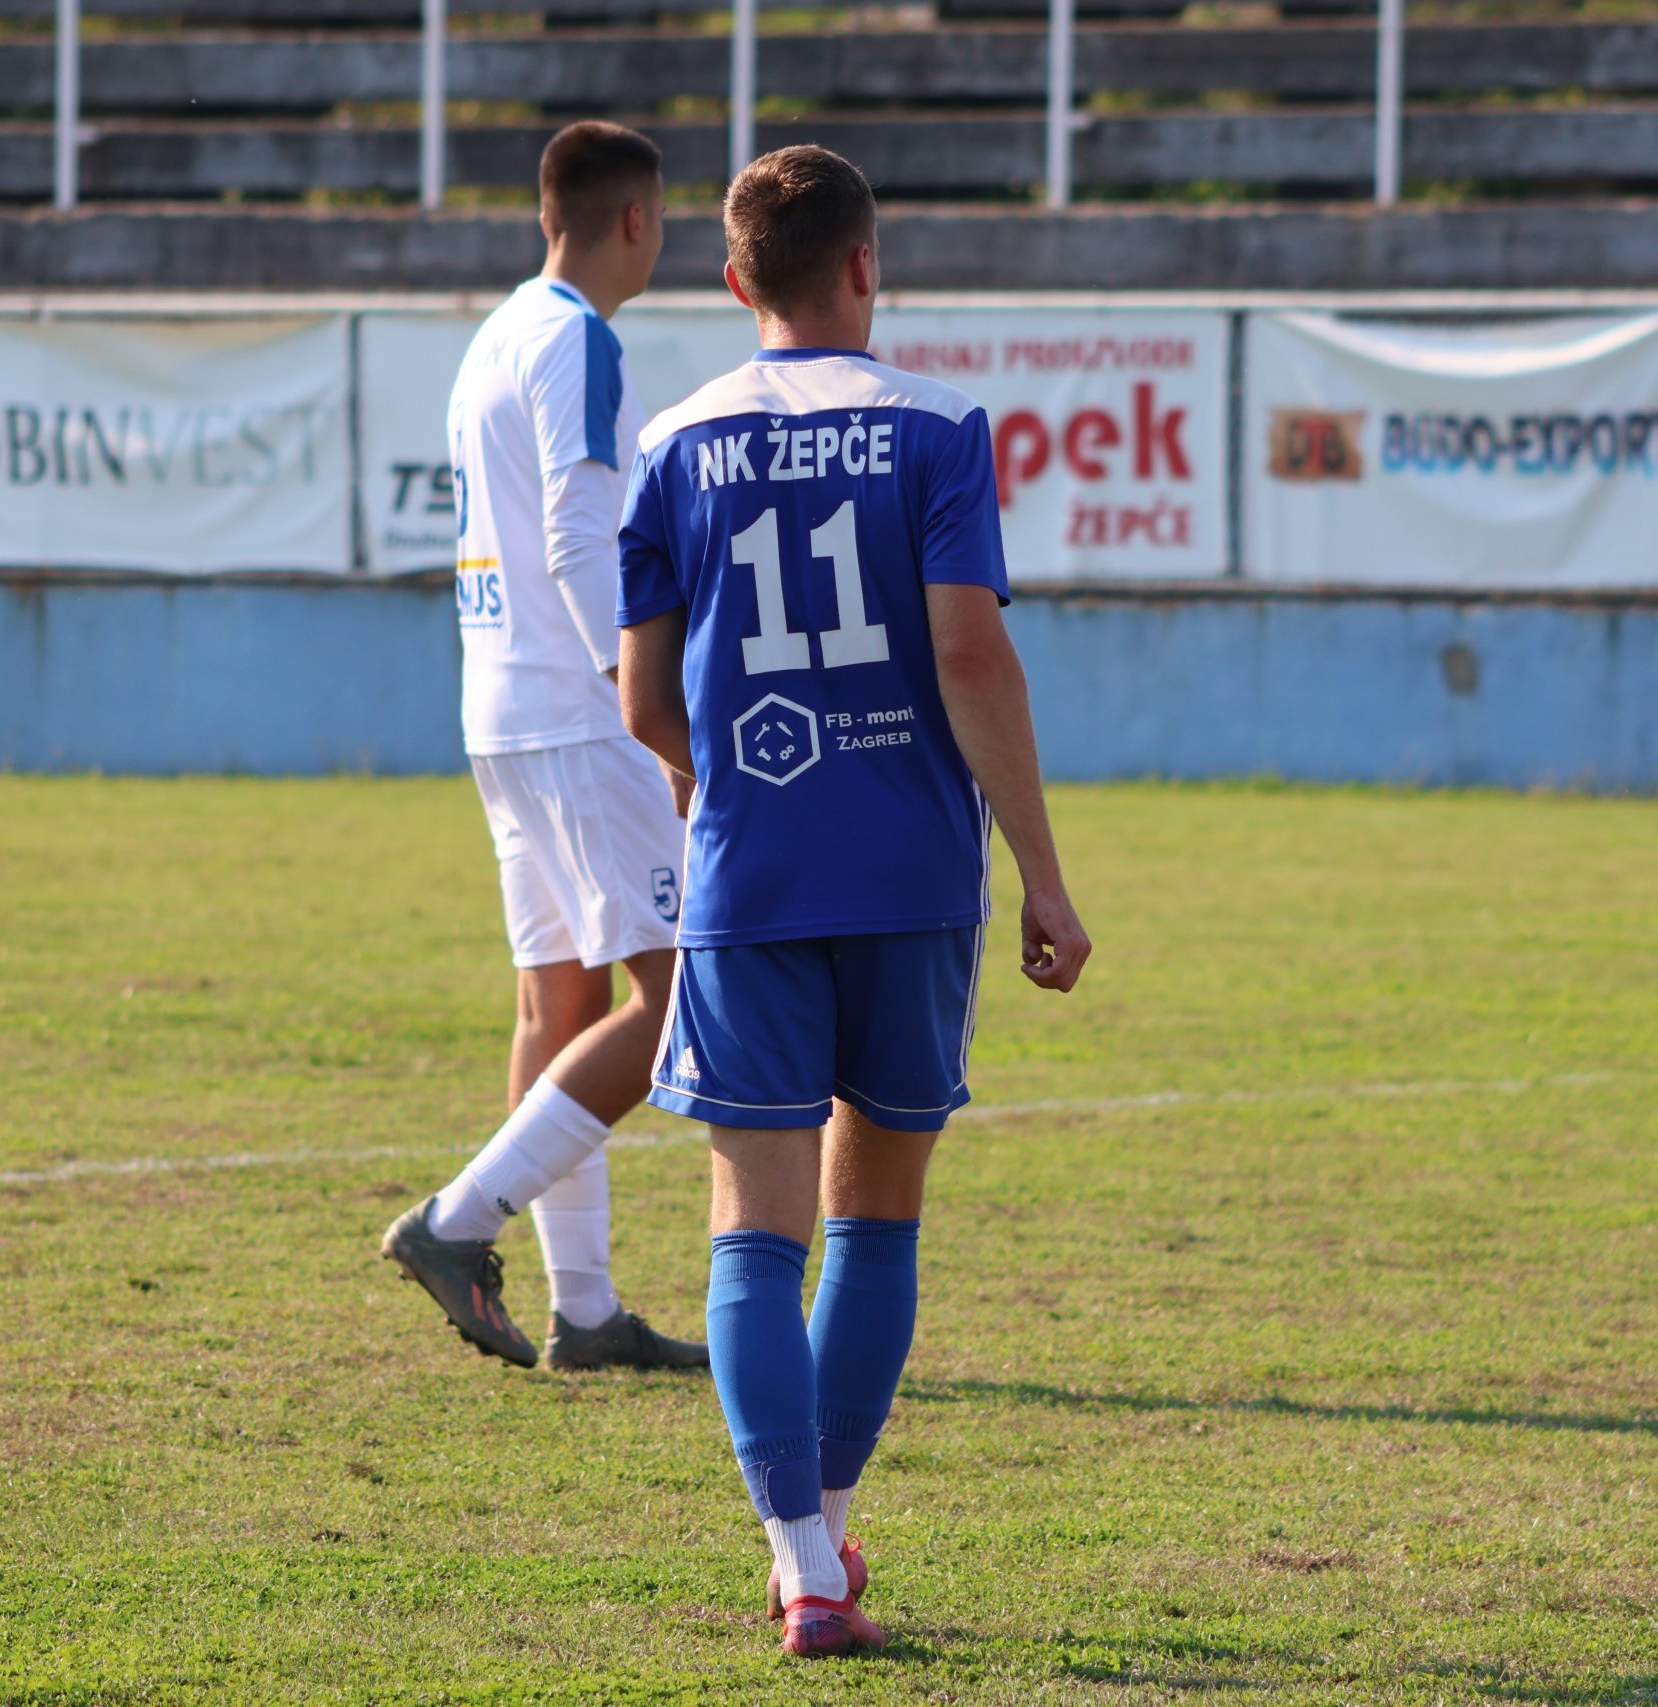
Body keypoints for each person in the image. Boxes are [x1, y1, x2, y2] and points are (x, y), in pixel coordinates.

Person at [616, 145, 1093, 1657]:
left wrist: (727, 780)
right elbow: (969, 656)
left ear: (734, 280)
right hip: (909, 878)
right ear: (867, 265)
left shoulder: (672, 442)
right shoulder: (938, 427)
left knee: (751, 1236)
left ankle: (803, 1559)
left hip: (751, 873)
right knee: (875, 1219)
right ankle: (821, 1537)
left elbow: (643, 700)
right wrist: (1042, 871)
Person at [378, 122, 708, 1376]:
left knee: (557, 1004)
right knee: (681, 1001)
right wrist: (643, 699)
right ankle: (458, 1222)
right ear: (635, 220)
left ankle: (584, 1312)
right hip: (578, 712)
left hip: (502, 708)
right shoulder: (577, 338)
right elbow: (577, 532)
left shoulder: (496, 336)